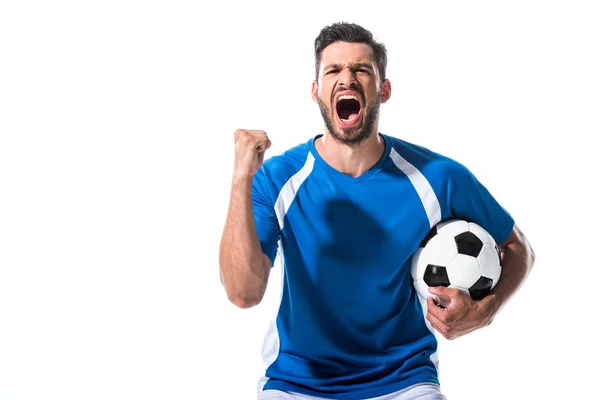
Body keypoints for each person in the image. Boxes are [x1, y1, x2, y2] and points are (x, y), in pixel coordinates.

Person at [219, 22, 535, 400]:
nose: (347, 78)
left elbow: (519, 249)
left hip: (404, 381)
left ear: (383, 91)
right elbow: (243, 293)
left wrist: (486, 310)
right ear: (316, 90)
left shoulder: (437, 177)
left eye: (362, 70)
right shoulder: (278, 179)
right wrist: (241, 179)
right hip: (298, 383)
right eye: (333, 70)